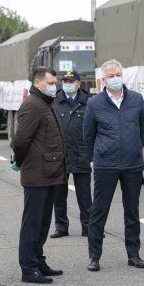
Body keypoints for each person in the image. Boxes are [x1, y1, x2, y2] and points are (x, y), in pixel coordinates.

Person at [83, 59, 144, 272]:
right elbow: (88, 135)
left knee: (132, 211)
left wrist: (133, 147)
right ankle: (94, 257)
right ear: (103, 79)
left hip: (132, 164)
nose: (115, 78)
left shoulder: (137, 100)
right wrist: (99, 154)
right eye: (110, 76)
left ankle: (134, 254)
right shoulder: (94, 104)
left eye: (118, 74)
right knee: (99, 212)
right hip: (106, 165)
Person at [11, 66, 66, 284]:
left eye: (55, 83)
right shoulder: (32, 105)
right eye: (51, 83)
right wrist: (23, 163)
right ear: (37, 82)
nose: (55, 87)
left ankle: (38, 260)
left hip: (49, 173)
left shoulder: (45, 103)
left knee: (43, 222)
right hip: (37, 175)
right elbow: (21, 141)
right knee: (33, 223)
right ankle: (28, 268)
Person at [51, 71, 92, 238]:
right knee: (59, 195)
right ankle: (61, 227)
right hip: (61, 155)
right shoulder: (54, 102)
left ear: (78, 84)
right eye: (65, 81)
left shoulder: (88, 103)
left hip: (82, 154)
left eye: (71, 81)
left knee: (84, 195)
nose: (67, 84)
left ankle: (88, 227)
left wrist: (93, 156)